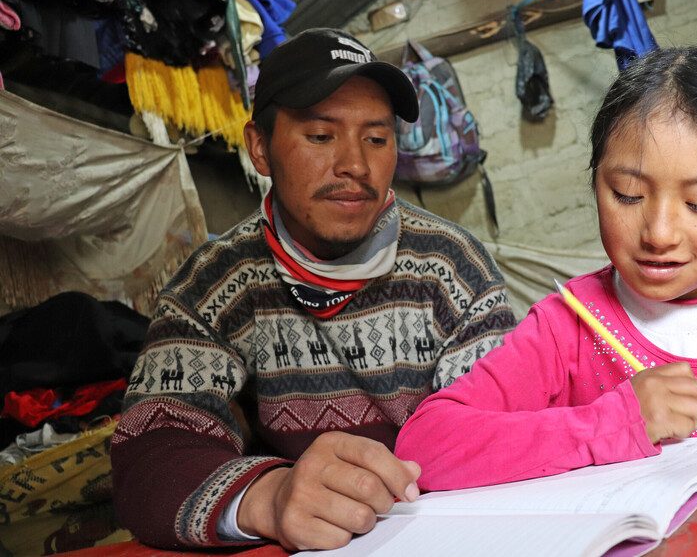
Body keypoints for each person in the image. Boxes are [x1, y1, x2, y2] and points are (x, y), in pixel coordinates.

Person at [111, 27, 516, 551]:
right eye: (321, 136)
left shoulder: (454, 268)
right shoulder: (215, 285)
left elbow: (497, 430)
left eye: (377, 138)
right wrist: (270, 498)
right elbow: (150, 448)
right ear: (259, 148)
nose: (355, 165)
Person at [395, 46, 697, 491]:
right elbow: (424, 448)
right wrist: (611, 423)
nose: (659, 233)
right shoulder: (567, 327)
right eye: (628, 195)